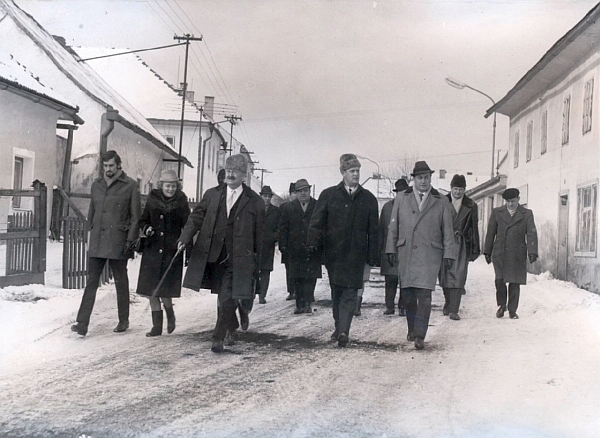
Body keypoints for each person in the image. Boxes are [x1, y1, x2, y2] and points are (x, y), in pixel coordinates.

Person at [177, 154, 264, 353]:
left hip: (239, 258)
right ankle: (233, 322)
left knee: (226, 295)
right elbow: (196, 218)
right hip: (214, 254)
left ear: (244, 176)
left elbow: (260, 234)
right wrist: (184, 238)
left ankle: (218, 337)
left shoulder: (255, 201)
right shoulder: (212, 194)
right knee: (223, 295)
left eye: (236, 171)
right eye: (229, 170)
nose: (231, 174)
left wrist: (258, 261)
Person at [307, 154, 379, 347]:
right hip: (334, 255)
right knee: (337, 291)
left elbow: (374, 230)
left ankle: (344, 331)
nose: (355, 174)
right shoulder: (329, 195)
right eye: (352, 171)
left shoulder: (368, 199)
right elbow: (316, 222)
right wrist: (313, 244)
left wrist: (373, 255)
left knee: (349, 293)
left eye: (357, 171)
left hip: (356, 255)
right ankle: (339, 327)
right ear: (343, 172)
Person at [386, 161, 455, 350]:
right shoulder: (402, 198)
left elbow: (448, 230)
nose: (423, 181)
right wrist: (390, 249)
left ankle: (420, 335)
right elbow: (393, 226)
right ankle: (412, 328)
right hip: (406, 251)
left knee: (424, 295)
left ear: (430, 178)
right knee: (408, 294)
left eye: (426, 177)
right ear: (413, 179)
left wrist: (449, 253)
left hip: (429, 254)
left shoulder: (441, 200)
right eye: (420, 177)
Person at [71, 150, 141, 336]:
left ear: (118, 165)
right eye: (105, 166)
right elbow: (92, 213)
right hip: (98, 241)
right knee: (91, 282)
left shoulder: (131, 186)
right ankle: (82, 322)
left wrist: (130, 240)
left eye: (111, 165)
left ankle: (123, 320)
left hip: (119, 241)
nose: (108, 169)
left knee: (120, 282)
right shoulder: (97, 185)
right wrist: (88, 236)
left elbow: (136, 217)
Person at [135, 169, 190, 336]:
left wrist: (184, 243)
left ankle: (170, 313)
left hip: (171, 251)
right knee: (151, 290)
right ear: (161, 185)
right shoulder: (152, 199)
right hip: (152, 249)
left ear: (177, 186)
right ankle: (156, 327)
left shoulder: (181, 202)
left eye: (173, 186)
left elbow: (188, 226)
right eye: (168, 185)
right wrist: (147, 228)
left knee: (164, 290)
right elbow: (143, 220)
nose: (170, 189)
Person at [483, 188, 538, 319]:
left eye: (513, 201)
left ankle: (512, 310)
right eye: (508, 202)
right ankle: (502, 305)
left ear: (519, 199)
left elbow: (531, 233)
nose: (510, 204)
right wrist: (487, 251)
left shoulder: (526, 214)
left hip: (517, 253)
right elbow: (491, 233)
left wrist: (532, 251)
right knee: (499, 280)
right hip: (500, 252)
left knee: (515, 282)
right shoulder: (497, 212)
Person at [438, 174, 480, 321]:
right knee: (444, 275)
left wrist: (475, 248)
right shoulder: (441, 201)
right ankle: (448, 302)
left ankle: (454, 310)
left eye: (461, 189)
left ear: (464, 189)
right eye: (455, 189)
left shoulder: (471, 205)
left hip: (461, 243)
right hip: (444, 243)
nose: (457, 192)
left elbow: (474, 228)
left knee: (459, 275)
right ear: (451, 188)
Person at [278, 179, 321, 315]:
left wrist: (319, 244)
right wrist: (283, 245)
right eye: (300, 191)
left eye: (305, 190)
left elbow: (323, 226)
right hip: (294, 249)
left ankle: (307, 303)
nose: (303, 193)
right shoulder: (289, 207)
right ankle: (299, 304)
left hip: (312, 248)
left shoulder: (317, 205)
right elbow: (282, 228)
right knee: (296, 277)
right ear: (296, 193)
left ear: (309, 191)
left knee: (310, 277)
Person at [380, 178, 409, 316]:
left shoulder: (412, 208)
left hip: (405, 249)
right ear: (395, 193)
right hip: (389, 249)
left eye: (404, 192)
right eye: (399, 192)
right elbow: (381, 229)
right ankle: (389, 306)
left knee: (404, 280)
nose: (401, 195)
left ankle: (403, 306)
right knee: (390, 280)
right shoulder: (387, 208)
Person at [258, 186, 281, 304]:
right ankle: (251, 294)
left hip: (268, 246)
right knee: (253, 270)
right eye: (264, 196)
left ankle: (262, 295)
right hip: (255, 246)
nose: (266, 199)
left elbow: (279, 228)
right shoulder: (254, 208)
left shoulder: (276, 211)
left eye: (268, 196)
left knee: (265, 271)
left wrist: (274, 238)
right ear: (260, 196)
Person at [283, 182, 297, 301]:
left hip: (300, 244)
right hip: (288, 244)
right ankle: (291, 291)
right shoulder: (284, 208)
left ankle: (301, 292)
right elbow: (281, 227)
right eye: (293, 193)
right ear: (290, 194)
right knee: (289, 269)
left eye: (296, 193)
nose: (295, 195)